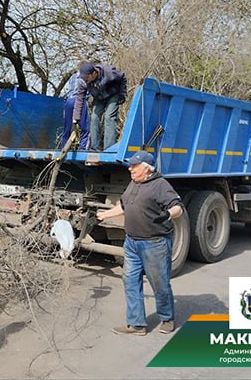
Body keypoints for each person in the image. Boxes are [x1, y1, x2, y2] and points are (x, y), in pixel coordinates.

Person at [96, 150, 183, 336]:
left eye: (134, 166)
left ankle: (167, 318)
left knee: (159, 284)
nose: (130, 169)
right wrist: (104, 214)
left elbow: (178, 208)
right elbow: (124, 206)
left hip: (154, 244)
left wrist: (168, 214)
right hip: (132, 243)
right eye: (130, 165)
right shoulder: (134, 184)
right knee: (130, 281)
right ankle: (136, 324)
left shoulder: (160, 185)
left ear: (147, 168)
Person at [72, 62, 127, 151]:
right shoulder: (83, 81)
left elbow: (122, 78)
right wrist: (76, 117)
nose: (85, 80)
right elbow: (80, 98)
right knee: (94, 118)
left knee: (109, 117)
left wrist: (122, 94)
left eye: (87, 77)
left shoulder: (109, 73)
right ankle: (94, 148)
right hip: (99, 97)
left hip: (113, 95)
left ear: (94, 73)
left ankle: (109, 148)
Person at [61, 71, 90, 149]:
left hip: (69, 101)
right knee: (85, 128)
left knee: (67, 128)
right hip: (80, 101)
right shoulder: (87, 76)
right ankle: (82, 149)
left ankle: (63, 147)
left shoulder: (72, 77)